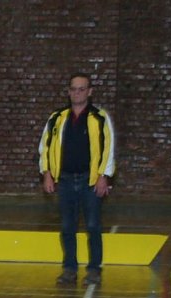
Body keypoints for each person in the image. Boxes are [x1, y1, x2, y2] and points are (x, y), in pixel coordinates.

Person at [38, 73, 116, 286]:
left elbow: (108, 148)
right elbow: (45, 146)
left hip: (90, 181)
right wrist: (47, 173)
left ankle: (94, 270)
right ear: (68, 91)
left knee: (93, 226)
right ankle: (69, 269)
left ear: (89, 91)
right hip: (64, 180)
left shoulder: (100, 118)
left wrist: (104, 176)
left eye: (82, 89)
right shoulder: (57, 118)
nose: (77, 92)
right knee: (67, 227)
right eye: (73, 89)